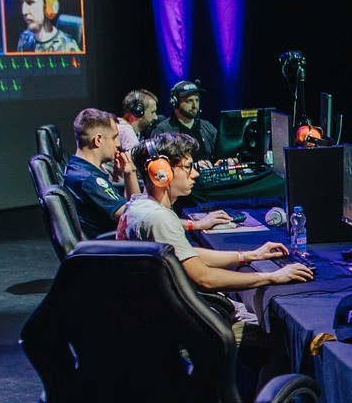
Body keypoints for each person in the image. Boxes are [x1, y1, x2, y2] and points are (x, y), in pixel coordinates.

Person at [117, 133, 312, 325]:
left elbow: (186, 254)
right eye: (187, 167)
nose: (195, 174)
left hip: (160, 314)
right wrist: (273, 277)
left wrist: (250, 256)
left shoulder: (139, 204)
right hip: (177, 323)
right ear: (160, 172)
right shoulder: (159, 218)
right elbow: (205, 278)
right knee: (275, 327)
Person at [63, 109, 139, 239]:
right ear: (98, 140)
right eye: (114, 137)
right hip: (113, 246)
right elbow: (134, 215)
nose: (118, 144)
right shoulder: (88, 179)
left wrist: (128, 174)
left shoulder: (79, 169)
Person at [12, 0, 80, 53]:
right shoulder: (24, 39)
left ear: (48, 5)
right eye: (22, 2)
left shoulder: (68, 48)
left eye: (30, 2)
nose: (24, 11)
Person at [157, 80, 221, 162]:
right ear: (175, 102)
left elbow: (221, 153)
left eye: (197, 100)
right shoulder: (163, 130)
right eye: (189, 101)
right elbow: (161, 164)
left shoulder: (207, 127)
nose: (195, 106)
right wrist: (194, 166)